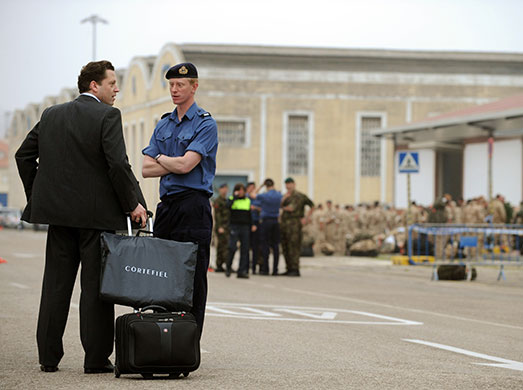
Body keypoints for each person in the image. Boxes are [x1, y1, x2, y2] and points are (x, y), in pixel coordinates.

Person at [15, 60, 147, 374]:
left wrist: (39, 196)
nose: (117, 89)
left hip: (59, 218)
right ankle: (96, 358)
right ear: (94, 86)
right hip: (98, 220)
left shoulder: (51, 115)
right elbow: (118, 165)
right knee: (96, 290)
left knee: (55, 287)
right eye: (112, 83)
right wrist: (135, 204)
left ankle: (48, 357)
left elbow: (23, 155)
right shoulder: (108, 115)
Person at [142, 62, 218, 338]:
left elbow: (187, 166)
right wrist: (170, 162)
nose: (174, 90)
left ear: (194, 86)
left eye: (180, 85)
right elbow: (145, 169)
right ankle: (161, 339)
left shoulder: (206, 124)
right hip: (167, 207)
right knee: (161, 275)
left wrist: (160, 157)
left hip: (193, 206)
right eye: (171, 85)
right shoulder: (163, 123)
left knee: (193, 277)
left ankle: (188, 343)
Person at [280, 177, 314, 276]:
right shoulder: (284, 196)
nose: (288, 186)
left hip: (295, 223)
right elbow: (280, 206)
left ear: (294, 184)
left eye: (290, 184)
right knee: (285, 246)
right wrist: (283, 200)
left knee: (294, 246)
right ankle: (289, 268)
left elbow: (312, 205)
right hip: (285, 223)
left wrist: (306, 218)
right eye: (286, 184)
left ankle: (295, 268)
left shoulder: (300, 196)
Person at [251, 178, 282, 275]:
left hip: (265, 222)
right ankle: (275, 270)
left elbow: (252, 194)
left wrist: (260, 186)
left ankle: (266, 268)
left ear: (266, 186)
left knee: (265, 245)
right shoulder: (278, 195)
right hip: (275, 221)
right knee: (275, 246)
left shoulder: (264, 195)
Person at [226, 183, 256, 278]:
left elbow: (249, 214)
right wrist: (235, 197)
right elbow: (227, 206)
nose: (241, 192)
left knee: (245, 249)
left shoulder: (247, 200)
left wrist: (252, 224)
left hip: (245, 227)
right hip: (235, 226)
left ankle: (242, 271)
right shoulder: (231, 199)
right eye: (239, 190)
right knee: (232, 248)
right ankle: (228, 268)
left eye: (243, 190)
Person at [213, 183, 230, 272]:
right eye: (223, 188)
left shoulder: (227, 200)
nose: (225, 190)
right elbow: (217, 215)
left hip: (227, 226)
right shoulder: (218, 201)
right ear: (220, 190)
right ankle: (219, 264)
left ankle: (224, 264)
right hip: (221, 226)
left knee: (226, 246)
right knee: (221, 246)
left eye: (226, 188)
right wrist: (219, 226)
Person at [246, 181, 261, 274]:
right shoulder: (245, 198)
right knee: (246, 247)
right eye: (250, 188)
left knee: (256, 247)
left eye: (253, 188)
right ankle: (246, 267)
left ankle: (255, 267)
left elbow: (262, 209)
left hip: (256, 223)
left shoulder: (258, 199)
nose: (252, 190)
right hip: (247, 224)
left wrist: (255, 208)